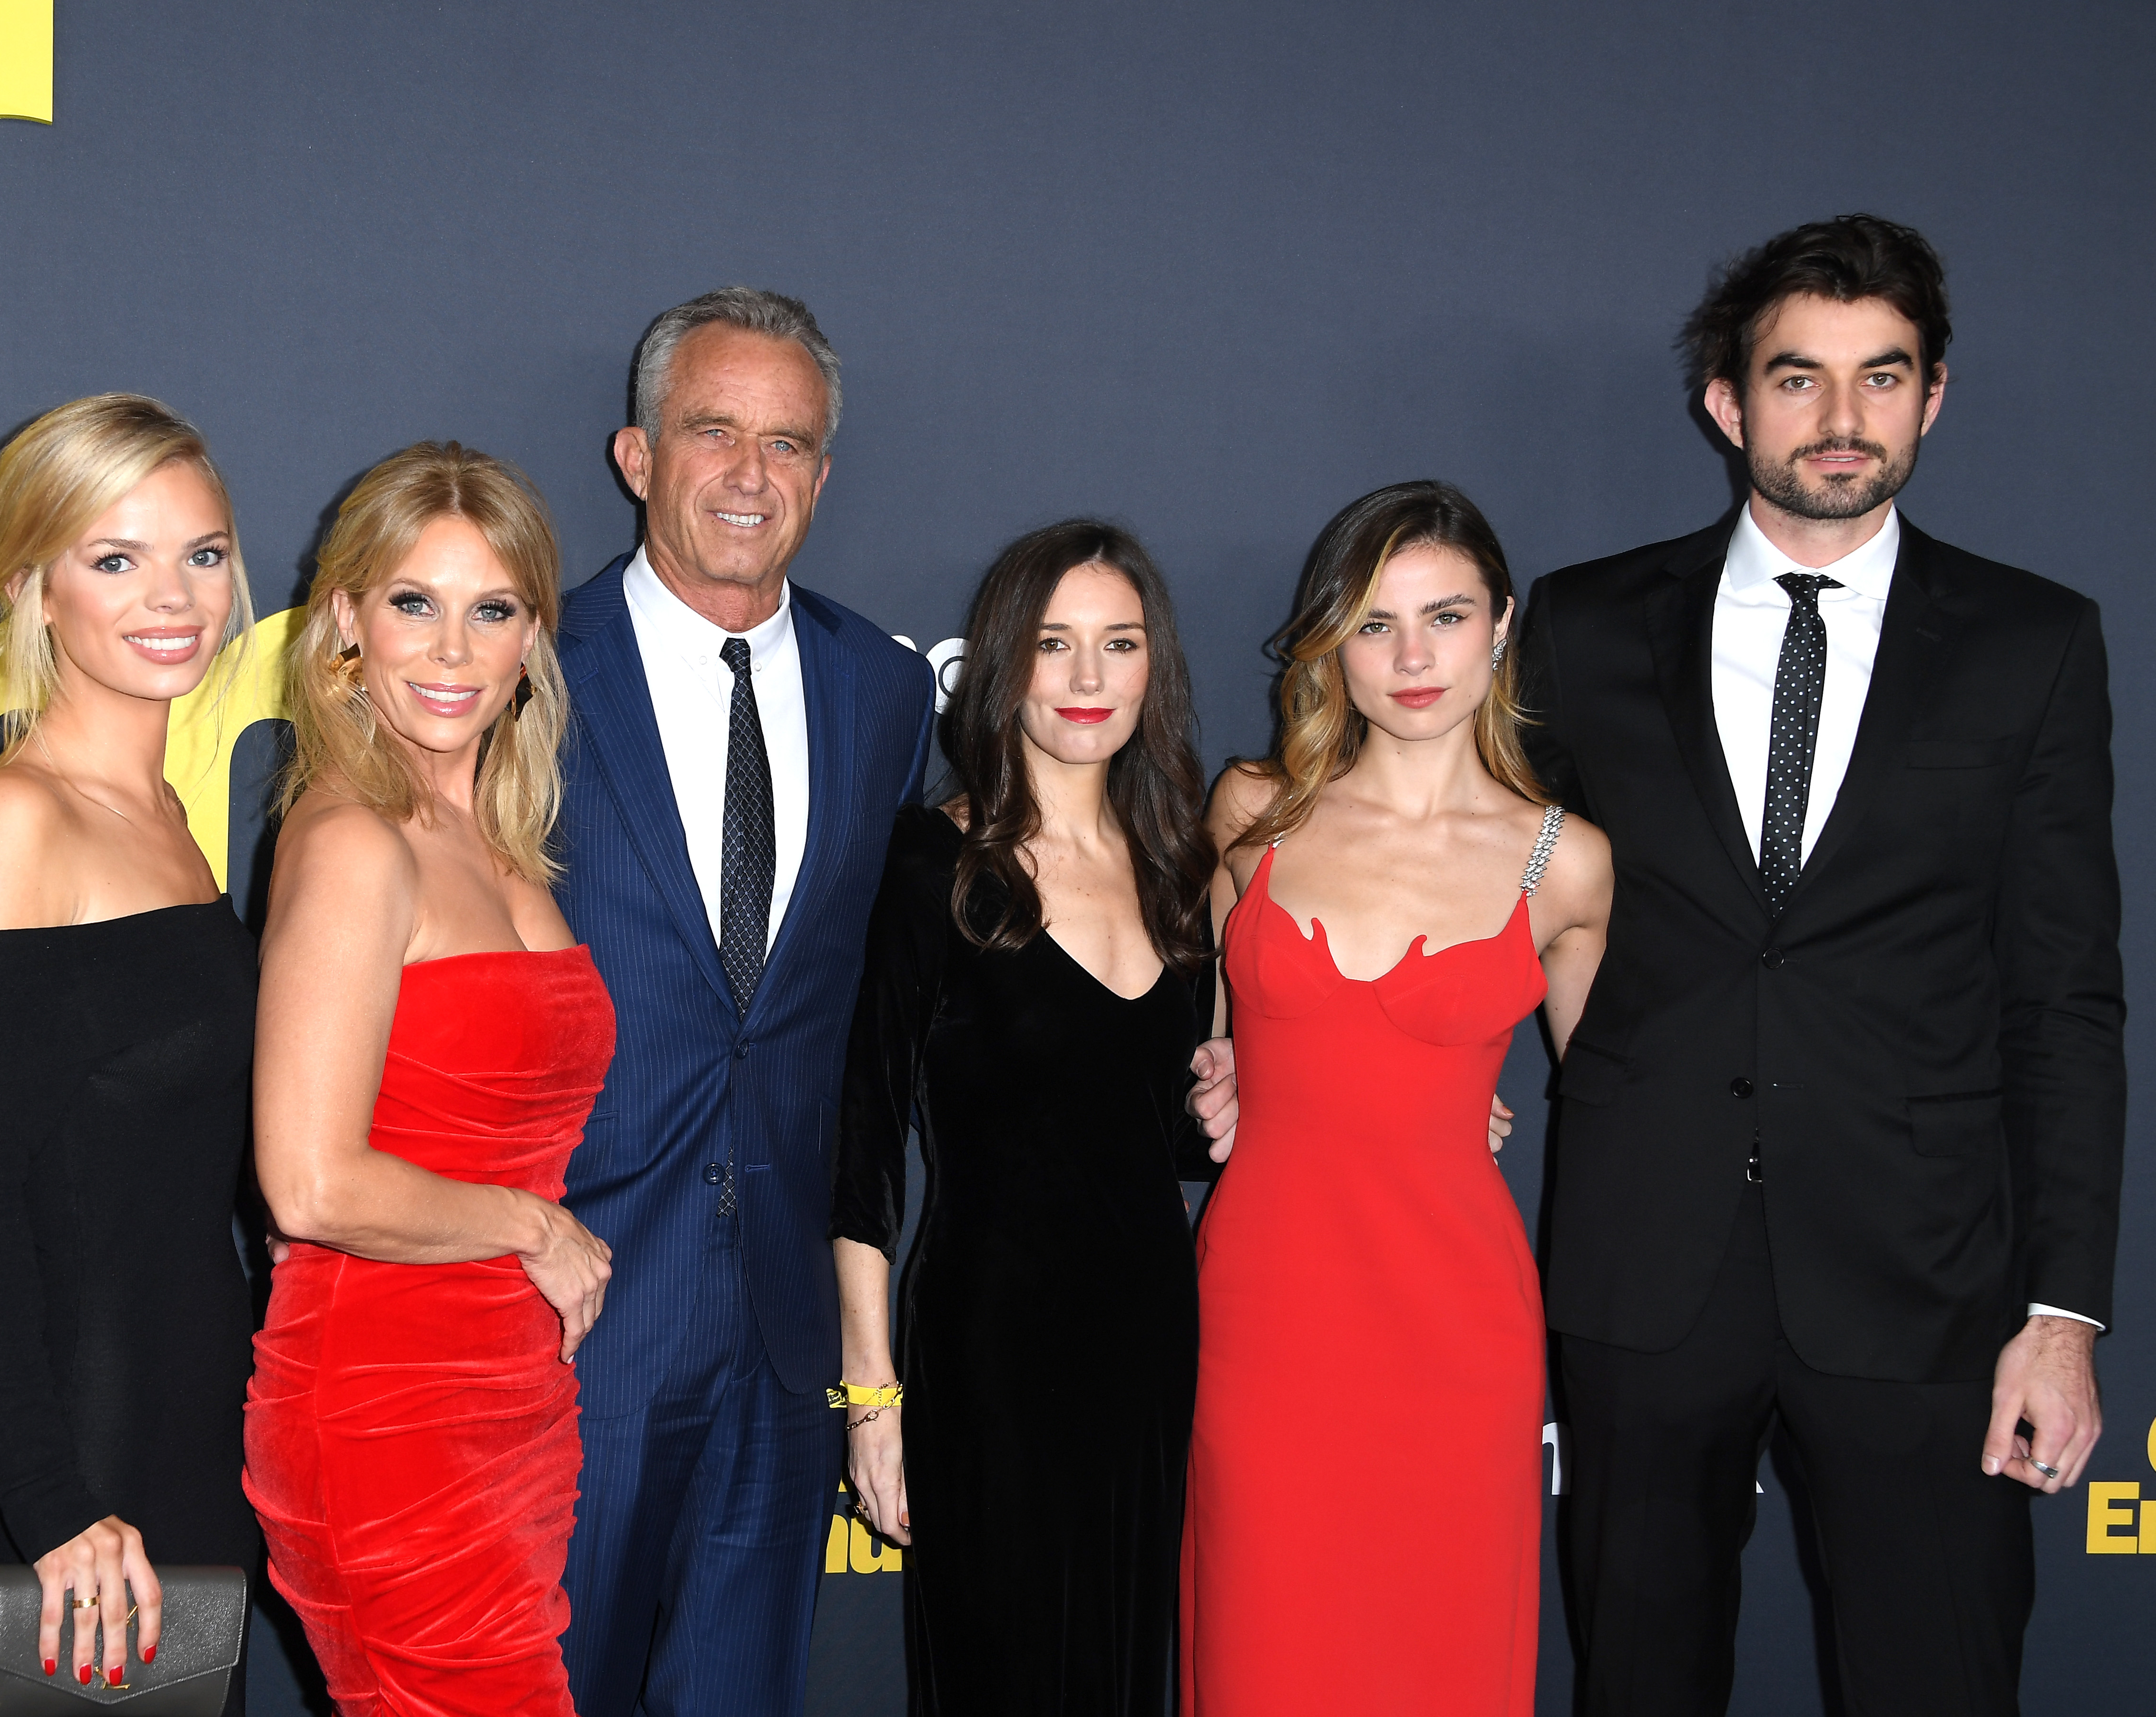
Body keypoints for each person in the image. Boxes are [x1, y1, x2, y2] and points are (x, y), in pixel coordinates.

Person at [551, 289, 1240, 1716]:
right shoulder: (525, 672)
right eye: (715, 432)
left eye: (790, 442)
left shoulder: (872, 688)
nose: (753, 474)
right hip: (582, 1310)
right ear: (636, 454)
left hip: (785, 1341)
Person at [1519, 213, 2124, 1716]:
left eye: (1882, 377)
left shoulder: (2033, 644)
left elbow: (2066, 993)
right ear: (1728, 403)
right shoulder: (1583, 627)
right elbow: (1473, 879)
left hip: (1925, 1285)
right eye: (1799, 379)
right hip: (1643, 1263)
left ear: (1934, 398)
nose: (1842, 420)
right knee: (1640, 1682)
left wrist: (2064, 1316)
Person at [1185, 481, 1611, 1717]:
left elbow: (1616, 1116)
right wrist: (1222, 1083)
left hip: (1455, 1332)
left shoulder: (1563, 860)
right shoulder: (1253, 814)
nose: (1414, 657)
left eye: (1447, 616)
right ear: (1333, 641)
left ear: (1502, 625)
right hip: (1266, 1319)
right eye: (1375, 624)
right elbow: (1206, 1053)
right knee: (1266, 1658)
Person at [0, 394, 261, 1699]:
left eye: (202, 554)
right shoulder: (7, 819)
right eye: (118, 559)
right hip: (70, 1494)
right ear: (34, 587)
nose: (175, 597)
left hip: (191, 1450)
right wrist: (50, 1507)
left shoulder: (163, 812)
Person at [244, 441, 615, 1715]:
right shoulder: (353, 838)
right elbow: (309, 1180)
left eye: (492, 610)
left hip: (511, 1403)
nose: (453, 652)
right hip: (385, 1417)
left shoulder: (504, 843)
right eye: (415, 603)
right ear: (346, 620)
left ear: (533, 637)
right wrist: (533, 1227)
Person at [835, 521, 1220, 1715]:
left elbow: (1168, 1137)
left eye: (1120, 643)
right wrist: (873, 1397)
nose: (1091, 679)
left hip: (1149, 1345)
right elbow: (861, 1151)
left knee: (1119, 1673)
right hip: (991, 1347)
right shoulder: (931, 861)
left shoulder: (1179, 865)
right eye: (1057, 646)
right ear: (1004, 664)